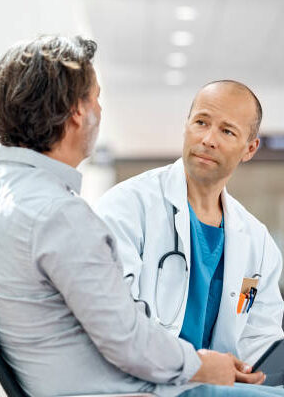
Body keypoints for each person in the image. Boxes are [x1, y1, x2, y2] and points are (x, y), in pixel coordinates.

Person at [0, 37, 280, 397]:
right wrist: (204, 365)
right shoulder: (60, 215)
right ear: (77, 111)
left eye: (227, 131)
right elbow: (128, 339)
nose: (100, 110)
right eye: (96, 97)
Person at [95, 80, 284, 370]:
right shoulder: (128, 206)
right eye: (201, 122)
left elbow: (261, 340)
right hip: (147, 378)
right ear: (186, 126)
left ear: (250, 149)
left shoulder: (258, 244)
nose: (208, 138)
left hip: (222, 386)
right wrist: (195, 366)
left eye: (227, 131)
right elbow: (113, 319)